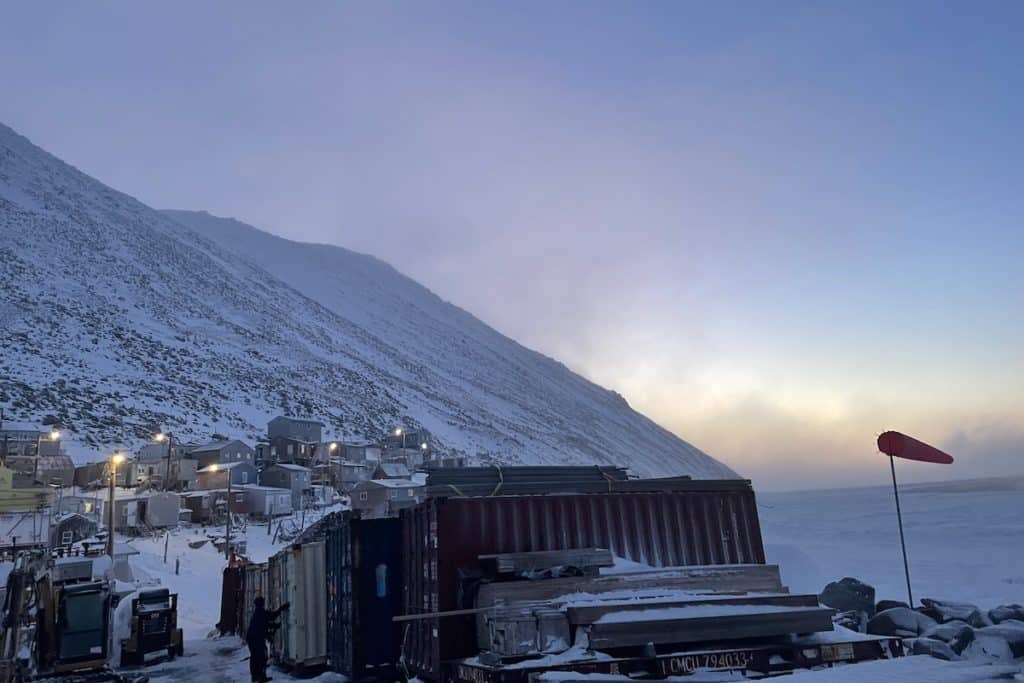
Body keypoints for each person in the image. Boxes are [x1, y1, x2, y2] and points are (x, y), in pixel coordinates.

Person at [246, 596, 289, 683]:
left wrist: (275, 626)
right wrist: (282, 608)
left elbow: (265, 624)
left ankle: (255, 677)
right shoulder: (261, 613)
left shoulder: (258, 613)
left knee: (255, 657)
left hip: (252, 638)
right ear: (261, 603)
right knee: (262, 657)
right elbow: (272, 616)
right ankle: (261, 677)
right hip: (256, 638)